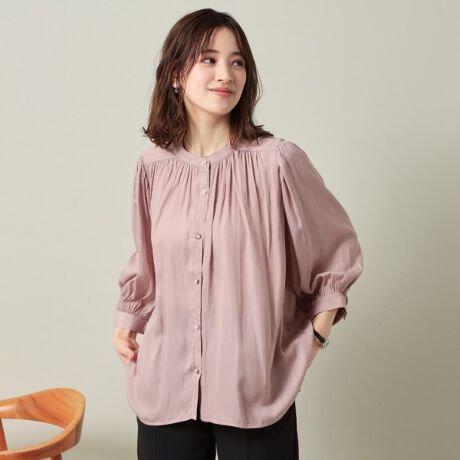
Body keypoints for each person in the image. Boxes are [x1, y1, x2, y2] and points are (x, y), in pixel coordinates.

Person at [112, 8, 364, 460]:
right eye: (208, 59)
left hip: (253, 389)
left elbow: (335, 255)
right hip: (166, 383)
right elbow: (148, 260)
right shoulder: (152, 166)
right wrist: (127, 321)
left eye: (237, 62)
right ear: (176, 74)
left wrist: (315, 339)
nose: (225, 74)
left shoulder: (277, 162)